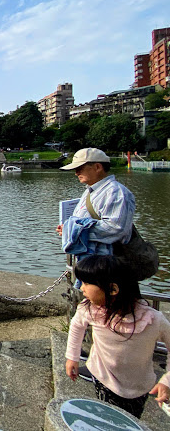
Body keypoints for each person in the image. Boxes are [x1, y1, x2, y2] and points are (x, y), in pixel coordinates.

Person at [65, 254, 170, 418]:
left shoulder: (152, 320)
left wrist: (167, 379)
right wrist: (72, 356)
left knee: (131, 418)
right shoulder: (90, 309)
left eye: (86, 283)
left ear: (113, 289)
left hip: (139, 386)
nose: (82, 288)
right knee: (108, 417)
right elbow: (77, 325)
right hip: (102, 376)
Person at [57, 148, 135, 256]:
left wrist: (73, 231)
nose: (76, 173)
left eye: (79, 168)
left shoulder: (116, 192)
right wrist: (67, 230)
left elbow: (115, 228)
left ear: (97, 167)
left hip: (107, 264)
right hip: (91, 262)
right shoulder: (91, 190)